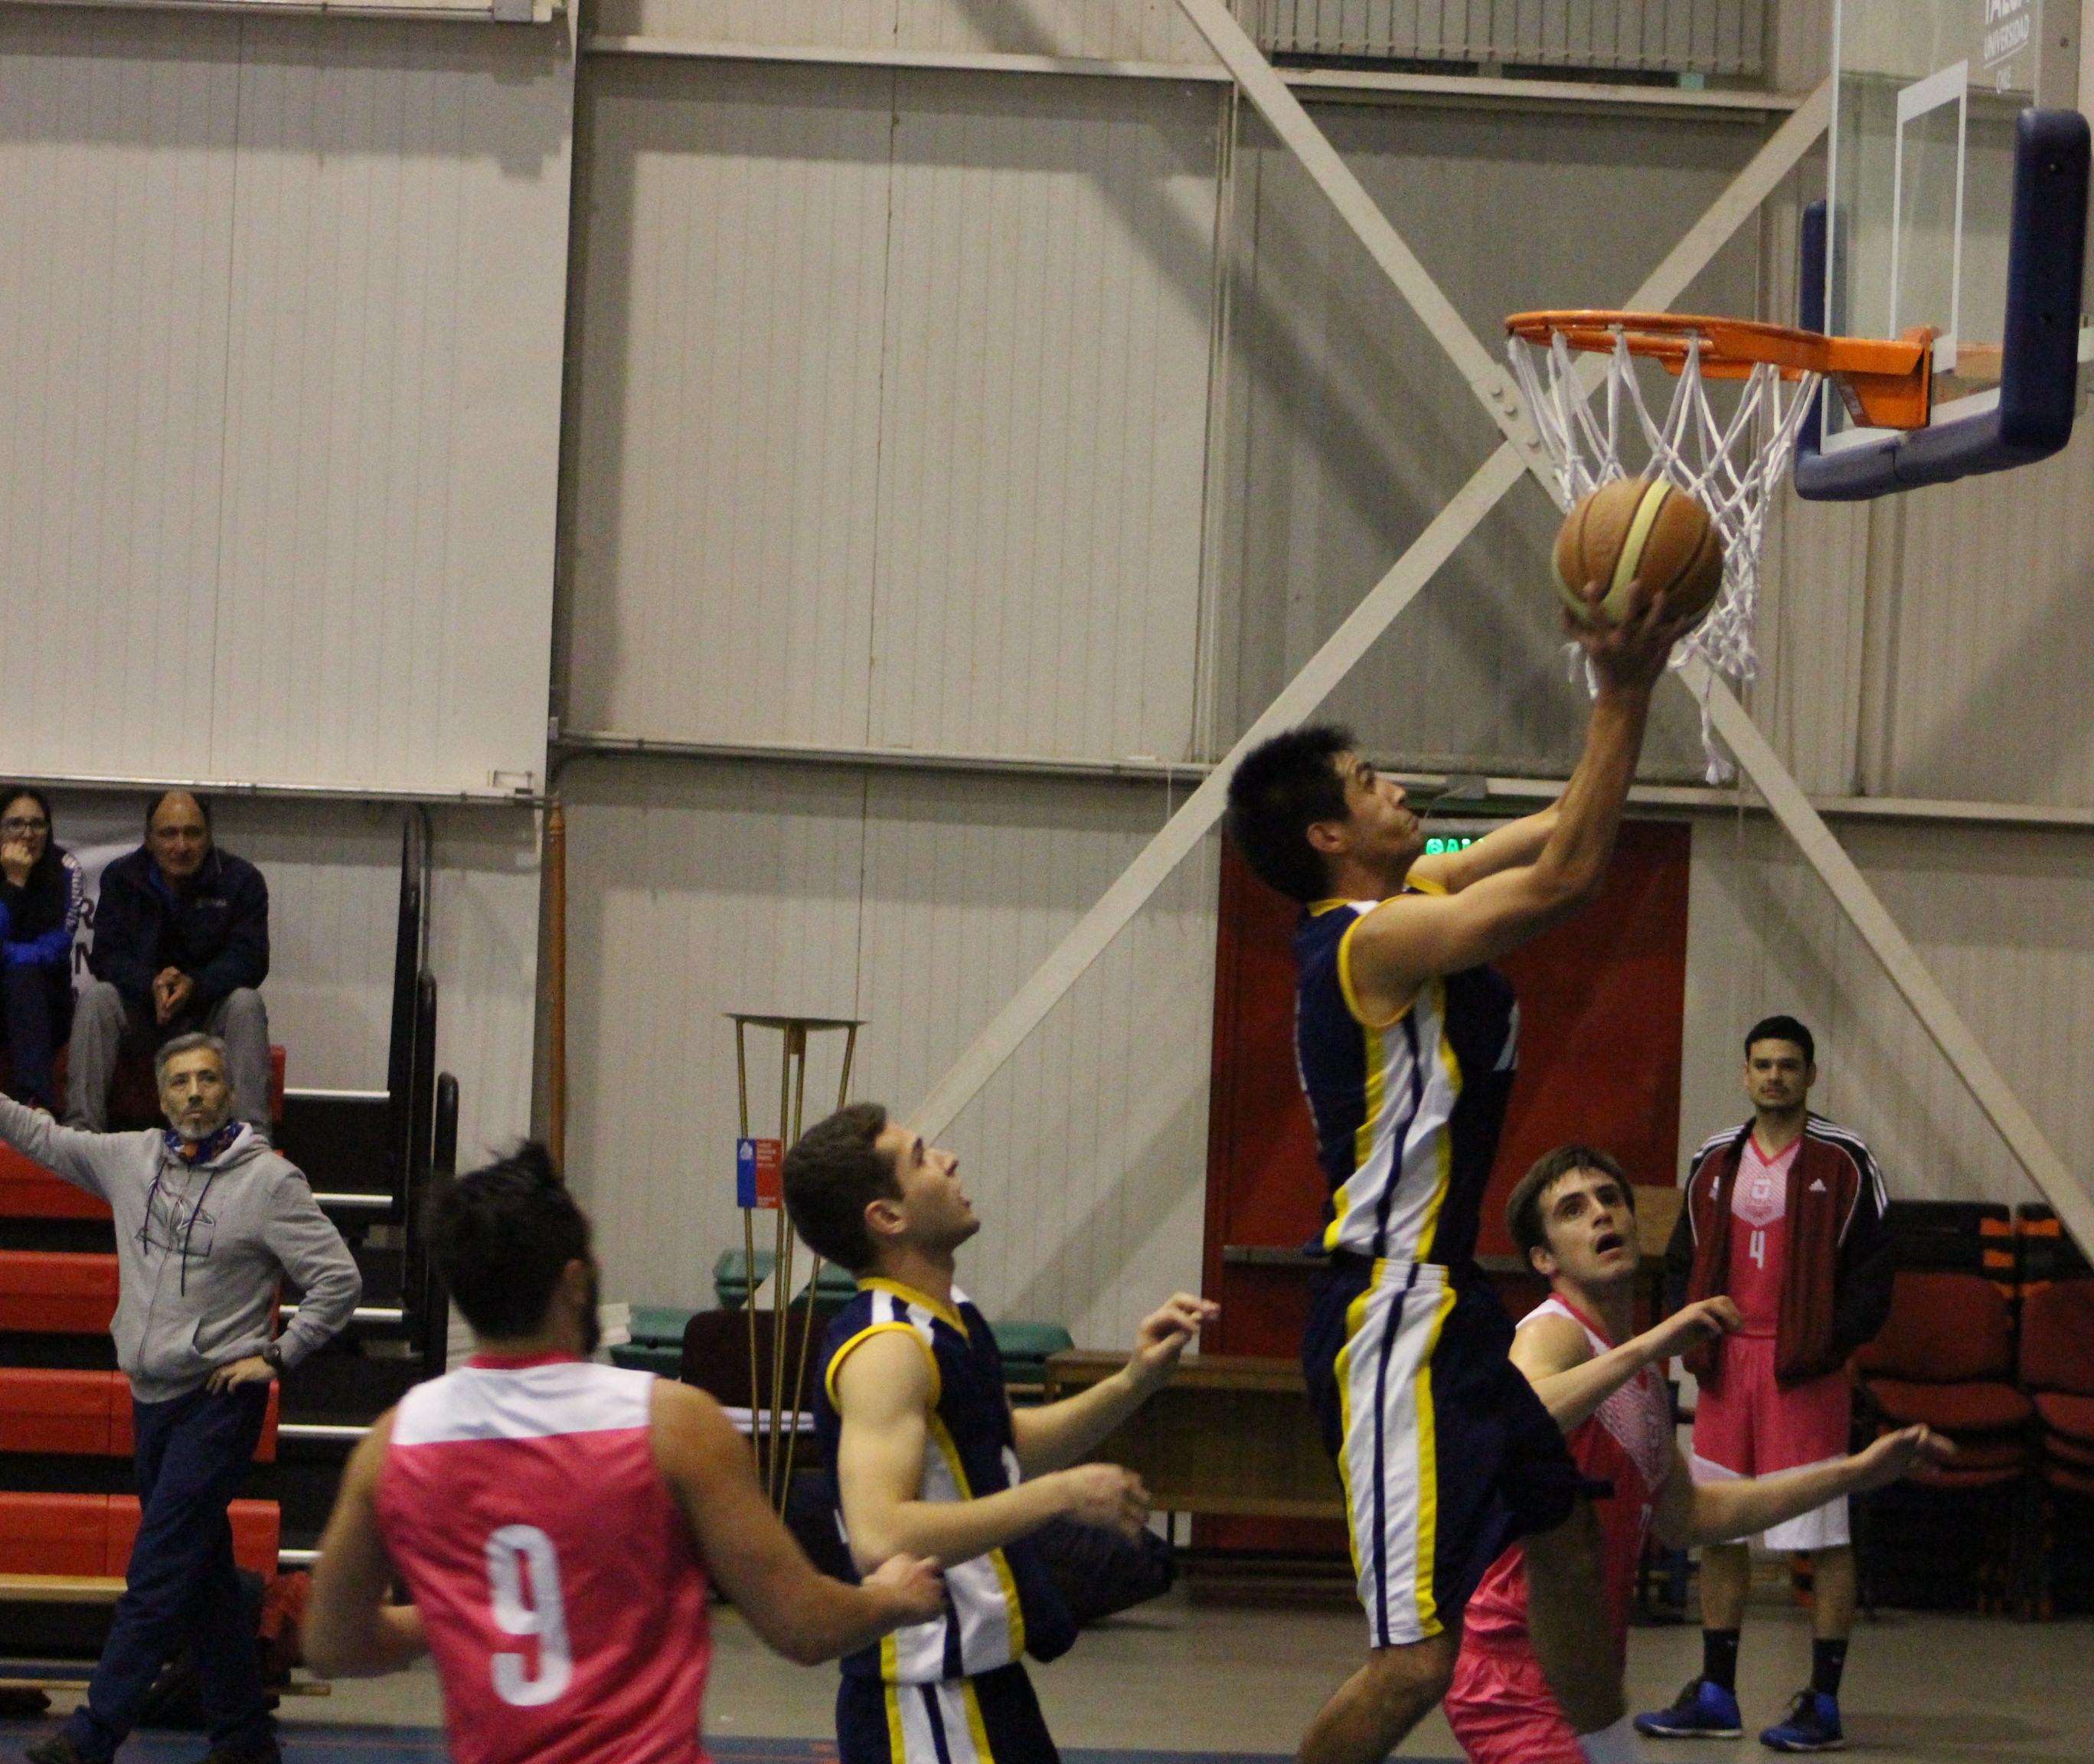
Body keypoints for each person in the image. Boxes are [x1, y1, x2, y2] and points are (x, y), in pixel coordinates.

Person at [1221, 568, 1703, 1764]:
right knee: (1415, 1662)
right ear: (1328, 836)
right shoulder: (1371, 943)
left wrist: (1636, 689)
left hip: (1452, 1304)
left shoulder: (1424, 883)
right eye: (1369, 782)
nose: (1398, 789)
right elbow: (1567, 880)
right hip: (1388, 1313)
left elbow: (1562, 827)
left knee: (1564, 1533)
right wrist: (1619, 694)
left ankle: (1604, 1755)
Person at [302, 1144, 947, 1764]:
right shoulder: (671, 1424)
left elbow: (334, 1644)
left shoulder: (397, 1439)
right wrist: (892, 1598)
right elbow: (801, 1625)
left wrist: (475, 1613)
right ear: (575, 1283)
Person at [1446, 1145, 1946, 1764]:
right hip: (1512, 1676)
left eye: (1610, 1199)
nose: (1601, 1213)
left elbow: (1691, 1515)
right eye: (1572, 1210)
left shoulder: (1637, 1374)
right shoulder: (1555, 1331)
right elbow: (1519, 1419)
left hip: (1587, 1682)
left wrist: (1853, 1472)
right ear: (1544, 1258)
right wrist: (1652, 1344)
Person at [783, 1102, 1217, 1764]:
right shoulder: (887, 1348)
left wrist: (1135, 1381)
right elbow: (881, 1536)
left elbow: (998, 1449)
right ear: (888, 1217)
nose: (948, 1159)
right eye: (922, 1157)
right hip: (925, 1693)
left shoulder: (948, 1313)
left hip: (987, 1682)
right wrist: (1057, 1497)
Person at [5, 1034, 361, 1764]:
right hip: (152, 1398)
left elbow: (340, 1280)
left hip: (216, 1402)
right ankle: (244, 1739)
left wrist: (278, 1354)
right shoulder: (130, 1159)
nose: (194, 1093)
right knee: (201, 1575)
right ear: (161, 1097)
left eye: (207, 1079)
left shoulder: (268, 1183)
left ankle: (92, 1735)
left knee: (159, 1570)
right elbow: (43, 1138)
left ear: (229, 1090)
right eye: (180, 1082)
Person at [1637, 1015, 1896, 1751]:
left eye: (1788, 1065)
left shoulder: (1847, 1160)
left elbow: (1875, 1273)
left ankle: (1824, 1704)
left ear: (1811, 1075)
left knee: (1823, 1534)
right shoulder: (1715, 1159)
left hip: (1803, 1370)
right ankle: (1717, 1694)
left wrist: (1826, 1345)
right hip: (1727, 1367)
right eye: (1763, 1064)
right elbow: (1683, 1259)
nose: (1775, 1076)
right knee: (1719, 1525)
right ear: (1745, 1074)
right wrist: (1690, 1335)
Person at [71, 791, 273, 1133]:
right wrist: (150, 985)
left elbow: (250, 959)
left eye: (192, 833)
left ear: (208, 836)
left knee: (246, 1003)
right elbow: (107, 956)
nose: (181, 845)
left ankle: (251, 1139)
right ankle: (80, 1133)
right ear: (149, 839)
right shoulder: (121, 877)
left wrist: (195, 986)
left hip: (208, 1015)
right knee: (97, 1000)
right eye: (169, 834)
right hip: (143, 1012)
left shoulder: (242, 880)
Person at [0, 787, 81, 1114]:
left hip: (44, 1000)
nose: (27, 834)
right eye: (15, 824)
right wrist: (14, 883)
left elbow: (56, 946)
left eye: (37, 824)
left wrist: (8, 956)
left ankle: (36, 1105)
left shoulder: (66, 869)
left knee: (23, 975)